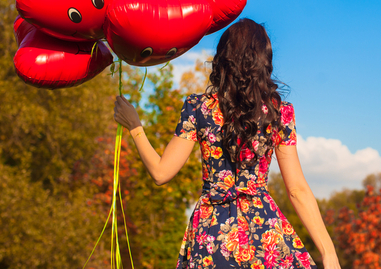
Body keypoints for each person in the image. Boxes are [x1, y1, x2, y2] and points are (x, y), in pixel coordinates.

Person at [114, 18, 341, 269]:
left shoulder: (198, 107)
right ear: (263, 60)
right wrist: (328, 253)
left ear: (223, 58)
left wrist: (135, 126)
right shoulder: (279, 112)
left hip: (212, 235)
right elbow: (297, 190)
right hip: (264, 233)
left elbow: (160, 173)